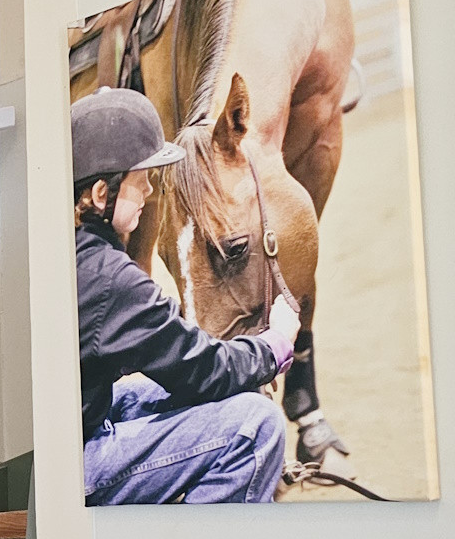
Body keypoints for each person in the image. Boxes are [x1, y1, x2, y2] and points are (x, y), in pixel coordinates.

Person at [72, 88, 300, 504]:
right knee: (256, 425)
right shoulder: (109, 279)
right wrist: (273, 347)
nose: (149, 192)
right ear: (102, 194)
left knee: (177, 395)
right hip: (74, 469)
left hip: (67, 434)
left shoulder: (70, 250)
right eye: (140, 181)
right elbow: (202, 369)